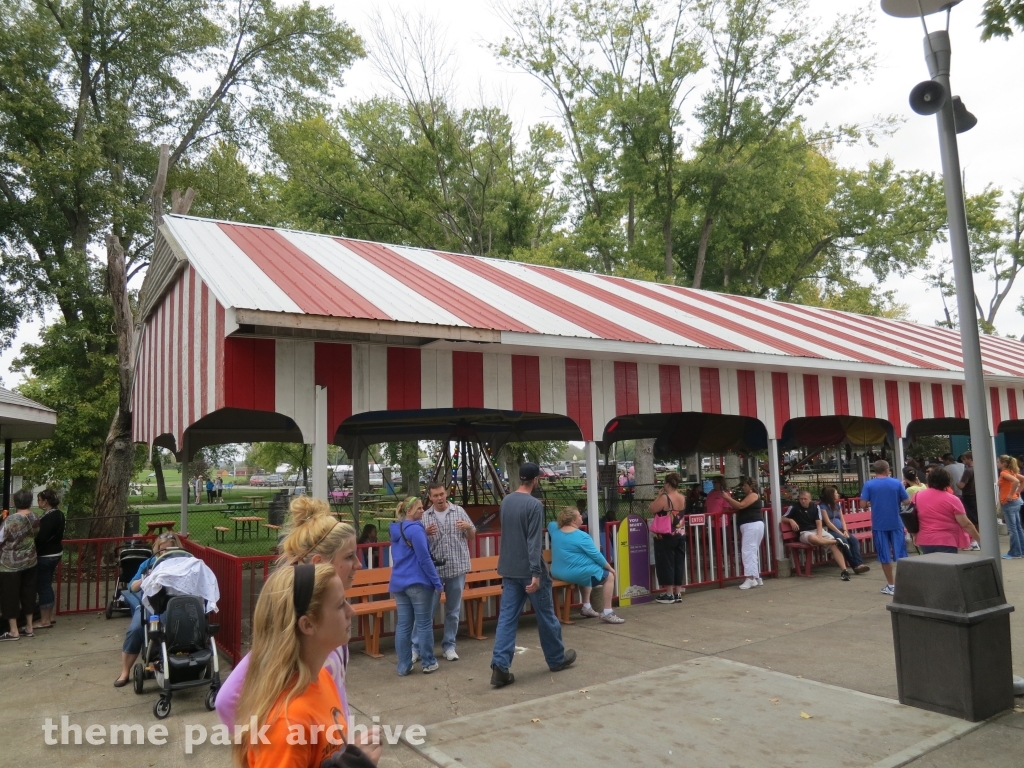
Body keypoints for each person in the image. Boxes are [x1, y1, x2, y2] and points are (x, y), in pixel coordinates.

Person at [217, 497, 360, 724]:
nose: (358, 564)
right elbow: (227, 700)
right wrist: (264, 745)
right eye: (350, 556)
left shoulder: (333, 619)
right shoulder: (296, 627)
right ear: (319, 562)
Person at [232, 564, 379, 768]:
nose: (351, 611)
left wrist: (350, 754)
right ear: (308, 625)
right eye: (339, 605)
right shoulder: (287, 722)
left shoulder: (321, 677)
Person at [490, 463, 575, 688]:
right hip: (530, 571)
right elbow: (533, 541)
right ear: (536, 480)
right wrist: (536, 574)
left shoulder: (506, 501)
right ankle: (556, 659)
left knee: (507, 618)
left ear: (520, 478)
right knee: (546, 615)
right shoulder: (534, 505)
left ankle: (500, 667)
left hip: (508, 568)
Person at [113, 532, 184, 683]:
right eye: (161, 550)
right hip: (151, 605)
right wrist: (146, 577)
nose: (164, 553)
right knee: (136, 629)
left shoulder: (184, 563)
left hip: (176, 605)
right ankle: (125, 671)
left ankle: (178, 662)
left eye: (168, 550)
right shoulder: (148, 564)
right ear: (156, 549)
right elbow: (132, 587)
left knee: (177, 628)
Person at [417, 481, 476, 662]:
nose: (440, 498)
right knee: (427, 611)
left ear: (446, 493)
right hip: (433, 571)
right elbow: (418, 544)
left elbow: (472, 534)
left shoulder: (458, 511)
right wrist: (424, 533)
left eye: (442, 494)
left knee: (453, 610)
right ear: (430, 498)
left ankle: (449, 646)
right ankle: (418, 647)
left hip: (457, 566)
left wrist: (468, 527)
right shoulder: (425, 517)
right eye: (435, 495)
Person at [389, 497, 443, 676]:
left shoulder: (397, 529)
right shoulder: (416, 530)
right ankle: (428, 662)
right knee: (424, 624)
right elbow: (424, 559)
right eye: (419, 508)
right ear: (410, 511)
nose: (423, 510)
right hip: (418, 582)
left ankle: (403, 665)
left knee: (403, 625)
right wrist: (437, 583)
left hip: (399, 582)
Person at [548, 506, 624, 623]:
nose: (581, 516)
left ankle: (587, 607)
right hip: (572, 574)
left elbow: (551, 523)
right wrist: (610, 568)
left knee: (588, 569)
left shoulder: (555, 529)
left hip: (556, 572)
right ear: (573, 520)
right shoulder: (582, 536)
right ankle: (608, 612)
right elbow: (597, 556)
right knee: (609, 577)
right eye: (579, 515)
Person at [860, 460, 909, 596]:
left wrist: (872, 501)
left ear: (875, 471)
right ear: (887, 469)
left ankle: (891, 585)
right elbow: (906, 501)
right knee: (901, 554)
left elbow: (863, 504)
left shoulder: (869, 485)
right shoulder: (896, 483)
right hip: (896, 522)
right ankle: (903, 584)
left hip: (879, 524)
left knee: (884, 555)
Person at [783, 490, 851, 581]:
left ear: (810, 499)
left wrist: (819, 534)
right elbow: (783, 518)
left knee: (833, 546)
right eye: (801, 499)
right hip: (804, 532)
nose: (803, 501)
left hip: (817, 530)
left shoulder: (815, 507)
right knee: (813, 538)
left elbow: (819, 523)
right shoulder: (794, 507)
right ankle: (838, 542)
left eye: (805, 499)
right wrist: (791, 520)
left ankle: (844, 571)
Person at [0, 489, 39, 641]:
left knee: (10, 595)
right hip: (30, 560)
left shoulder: (11, 520)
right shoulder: (35, 517)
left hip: (9, 564)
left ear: (15, 502)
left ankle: (13, 630)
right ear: (30, 502)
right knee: (28, 593)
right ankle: (29, 627)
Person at [915, 467, 981, 554]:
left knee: (930, 566)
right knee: (946, 566)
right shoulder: (953, 499)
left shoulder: (918, 496)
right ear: (948, 481)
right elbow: (966, 524)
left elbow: (913, 517)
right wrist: (979, 539)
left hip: (925, 540)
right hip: (946, 541)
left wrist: (914, 535)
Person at [648, 473, 687, 603]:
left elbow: (652, 509)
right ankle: (678, 592)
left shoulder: (665, 498)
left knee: (667, 562)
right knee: (678, 562)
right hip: (680, 533)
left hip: (666, 535)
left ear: (668, 484)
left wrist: (658, 495)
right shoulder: (682, 497)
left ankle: (669, 593)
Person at [721, 477, 764, 590]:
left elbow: (741, 505)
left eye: (745, 486)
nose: (743, 488)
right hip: (752, 525)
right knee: (752, 551)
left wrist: (727, 498)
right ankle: (756, 577)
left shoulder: (753, 495)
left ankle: (750, 578)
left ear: (750, 486)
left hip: (752, 524)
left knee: (747, 551)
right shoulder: (752, 495)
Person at [819, 486, 869, 575]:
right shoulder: (823, 507)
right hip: (831, 531)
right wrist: (840, 533)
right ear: (830, 495)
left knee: (853, 541)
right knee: (844, 542)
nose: (838, 495)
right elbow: (828, 522)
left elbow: (842, 519)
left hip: (842, 530)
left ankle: (859, 563)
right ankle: (855, 565)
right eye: (836, 493)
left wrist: (845, 530)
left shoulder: (837, 505)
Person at [34, 489, 65, 629]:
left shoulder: (48, 518)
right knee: (47, 585)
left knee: (43, 586)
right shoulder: (59, 514)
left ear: (45, 501)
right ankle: (49, 616)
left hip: (45, 555)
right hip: (56, 553)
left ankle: (44, 619)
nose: (38, 502)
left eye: (39, 500)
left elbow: (41, 537)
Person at [997, 455, 1024, 559]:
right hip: (1016, 501)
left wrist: (1010, 494)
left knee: (1013, 529)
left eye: (998, 462)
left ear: (1003, 463)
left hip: (1008, 502)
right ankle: (1021, 550)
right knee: (1018, 527)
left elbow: (1017, 481)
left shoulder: (1004, 473)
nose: (997, 464)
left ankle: (1015, 552)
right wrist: (1017, 492)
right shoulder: (1012, 472)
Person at [957, 452, 980, 550]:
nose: (963, 461)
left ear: (970, 459)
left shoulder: (968, 471)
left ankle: (974, 542)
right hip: (977, 495)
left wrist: (955, 483)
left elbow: (961, 485)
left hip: (968, 496)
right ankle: (978, 540)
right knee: (977, 518)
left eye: (965, 459)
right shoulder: (979, 468)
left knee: (971, 519)